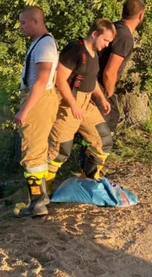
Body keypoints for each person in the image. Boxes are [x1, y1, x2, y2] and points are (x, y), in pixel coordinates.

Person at [47, 20, 116, 190]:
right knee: (59, 152)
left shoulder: (95, 53)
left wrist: (101, 98)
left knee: (103, 141)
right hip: (68, 104)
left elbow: (90, 80)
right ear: (95, 34)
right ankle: (41, 193)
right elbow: (60, 79)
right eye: (105, 40)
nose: (107, 45)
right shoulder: (75, 50)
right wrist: (73, 105)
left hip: (87, 104)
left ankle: (90, 180)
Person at [13, 6, 59, 218]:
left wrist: (24, 110)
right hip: (40, 99)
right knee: (38, 150)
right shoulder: (41, 43)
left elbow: (41, 81)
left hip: (38, 100)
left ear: (36, 21)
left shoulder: (44, 45)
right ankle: (41, 198)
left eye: (23, 23)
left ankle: (37, 204)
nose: (21, 27)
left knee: (31, 152)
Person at [98, 0, 146, 133]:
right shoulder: (125, 37)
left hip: (91, 83)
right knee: (109, 122)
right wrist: (109, 95)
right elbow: (109, 72)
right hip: (99, 86)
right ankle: (92, 153)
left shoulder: (114, 27)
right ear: (141, 15)